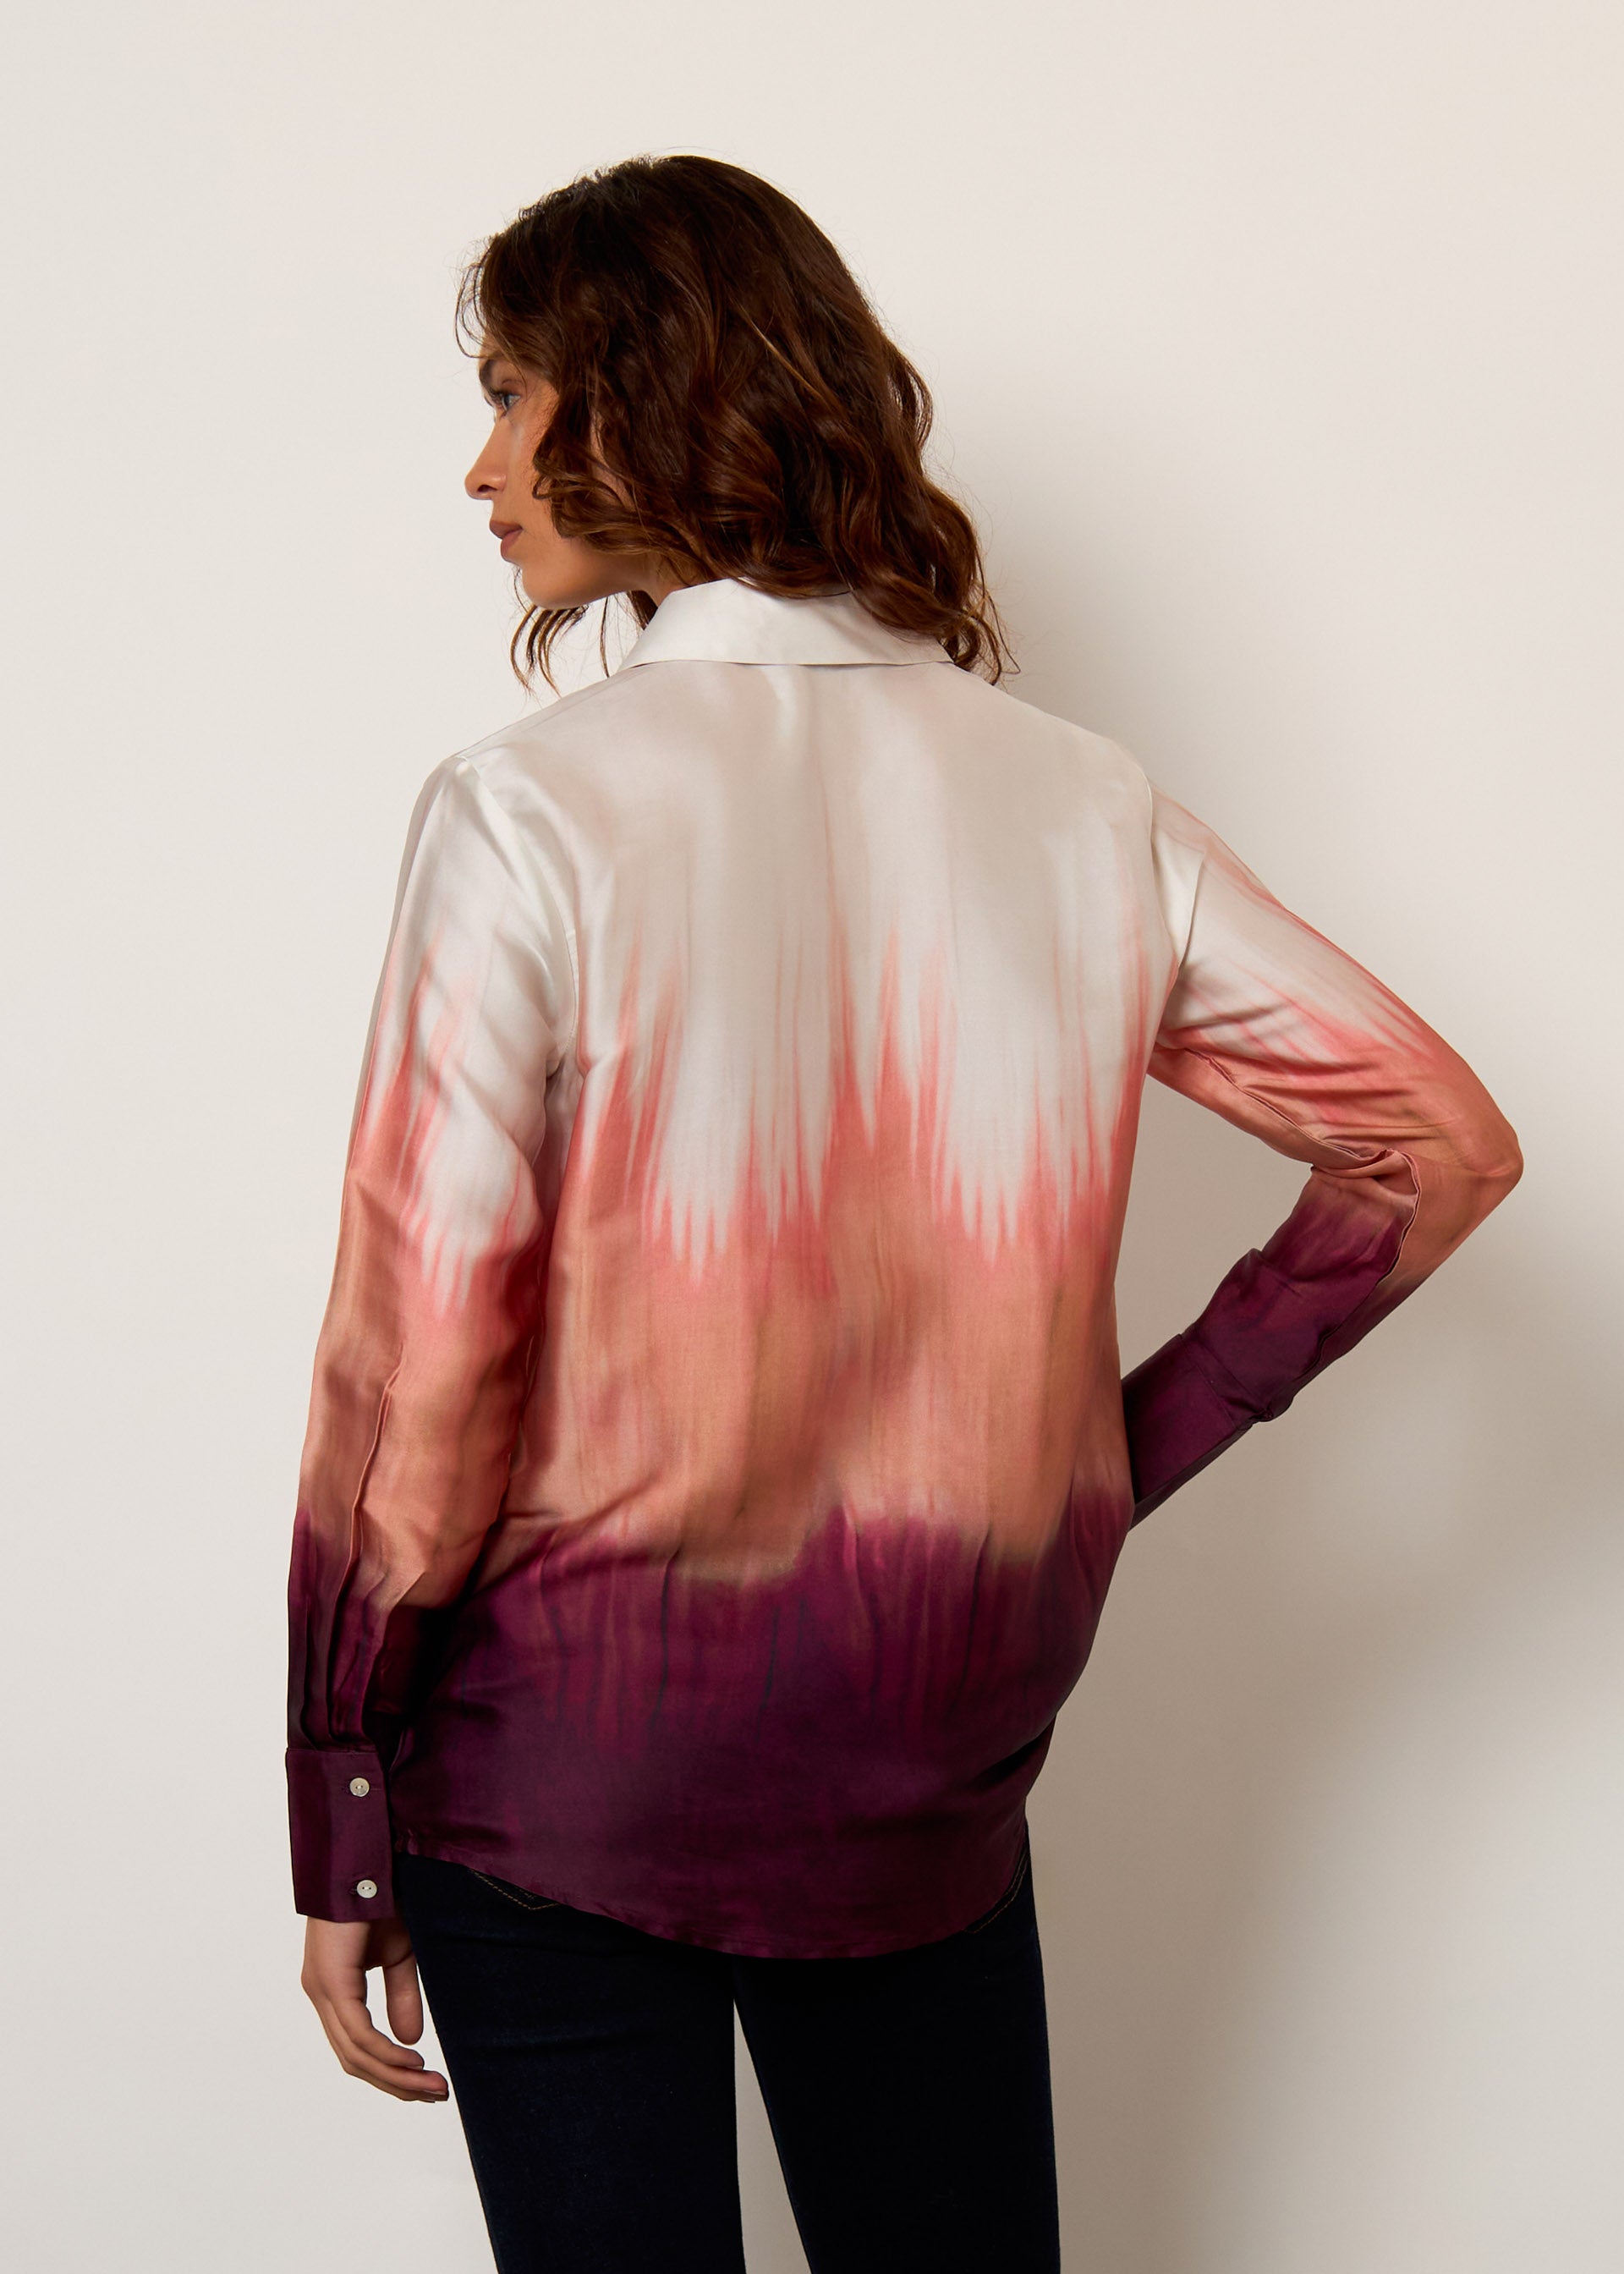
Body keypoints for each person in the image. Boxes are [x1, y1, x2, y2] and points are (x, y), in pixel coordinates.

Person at [286, 155, 1522, 2274]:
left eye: (511, 396)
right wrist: (1096, 1470)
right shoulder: (1082, 807)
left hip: (561, 1774)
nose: (479, 466)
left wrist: (342, 1794)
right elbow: (1436, 1143)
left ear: (644, 393)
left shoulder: (528, 813)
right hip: (922, 1776)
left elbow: (423, 1374)